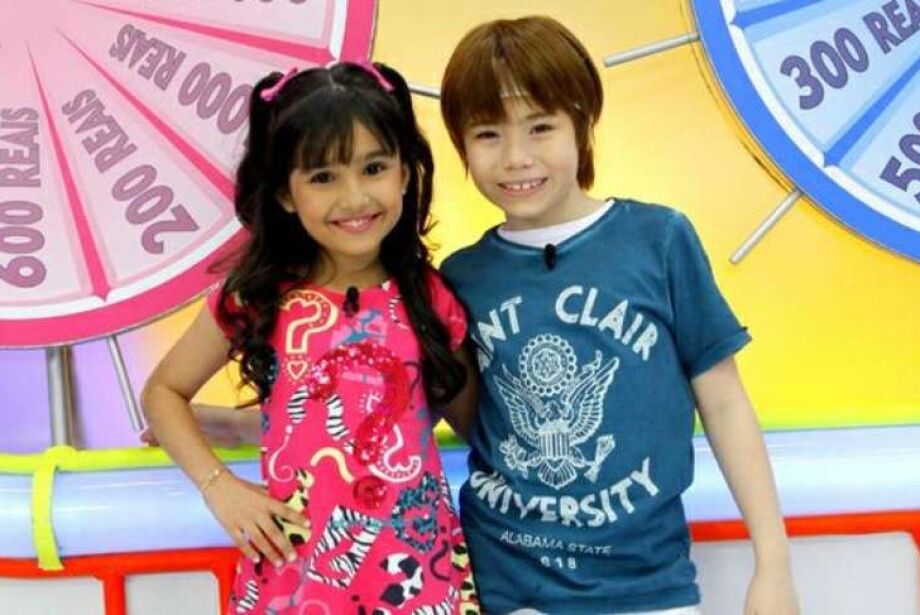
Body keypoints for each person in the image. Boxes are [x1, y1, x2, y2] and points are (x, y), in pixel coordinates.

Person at [436, 16, 799, 615]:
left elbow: (724, 401)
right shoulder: (459, 278)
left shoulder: (659, 240)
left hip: (647, 586)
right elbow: (473, 419)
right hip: (507, 586)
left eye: (540, 126)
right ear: (461, 145)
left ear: (582, 121)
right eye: (488, 134)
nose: (516, 157)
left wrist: (774, 562)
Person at [141, 61, 479, 614]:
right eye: (323, 177)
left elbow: (472, 429)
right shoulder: (257, 296)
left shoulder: (432, 298)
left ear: (404, 172)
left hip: (418, 581)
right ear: (283, 193)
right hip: (296, 581)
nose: (354, 197)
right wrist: (218, 486)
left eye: (373, 167)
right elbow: (162, 392)